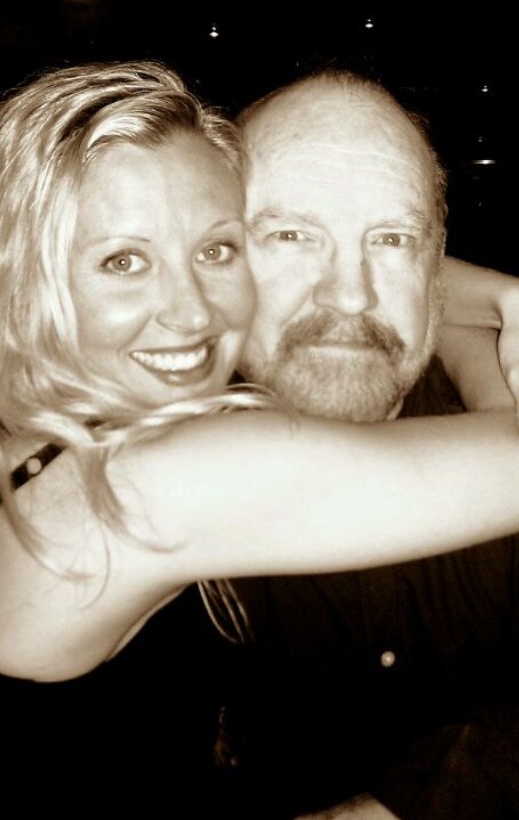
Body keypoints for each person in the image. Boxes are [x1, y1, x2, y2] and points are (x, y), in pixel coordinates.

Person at [0, 60, 517, 813]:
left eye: (215, 251)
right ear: (18, 276)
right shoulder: (149, 483)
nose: (193, 313)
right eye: (122, 261)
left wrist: (480, 304)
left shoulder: (59, 430)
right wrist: (499, 316)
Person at [211, 68, 519, 819]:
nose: (349, 294)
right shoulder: (136, 470)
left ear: (437, 265)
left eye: (391, 238)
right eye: (289, 235)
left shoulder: (500, 402)